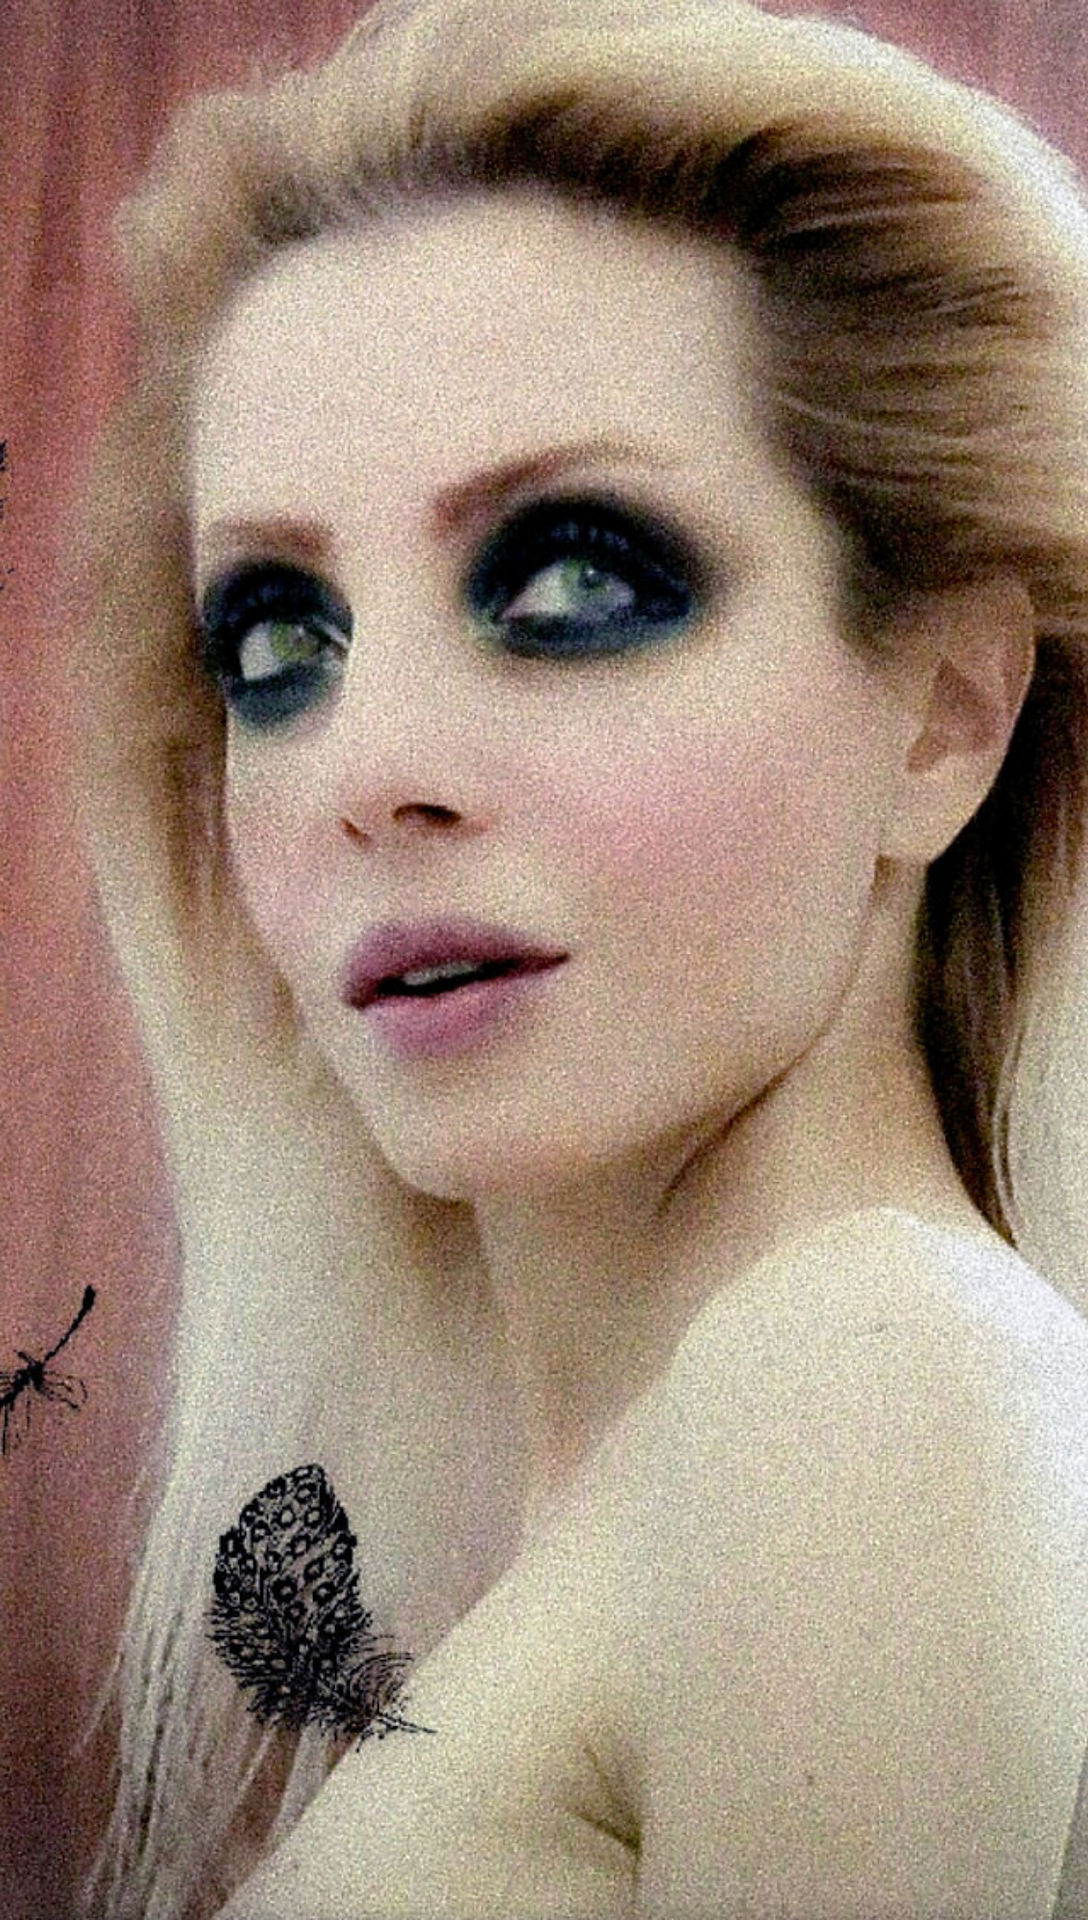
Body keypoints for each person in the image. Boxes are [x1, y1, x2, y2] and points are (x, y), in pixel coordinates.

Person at [63, 0, 1088, 1914]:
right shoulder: (654, 1495)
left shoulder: (867, 1380)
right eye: (276, 638)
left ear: (945, 715)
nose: (366, 769)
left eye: (576, 580)